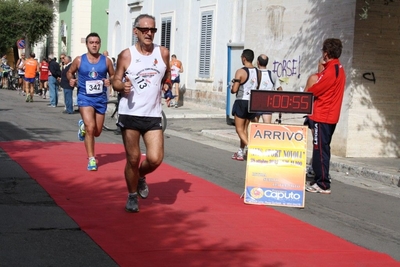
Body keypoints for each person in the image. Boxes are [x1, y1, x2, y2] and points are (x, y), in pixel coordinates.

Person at [111, 14, 171, 213]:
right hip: (130, 114)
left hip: (153, 114)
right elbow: (115, 80)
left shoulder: (162, 53)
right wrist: (122, 86)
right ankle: (131, 195)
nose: (149, 33)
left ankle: (140, 177)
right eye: (144, 30)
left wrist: (167, 87)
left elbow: (167, 74)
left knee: (155, 159)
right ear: (135, 31)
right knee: (133, 158)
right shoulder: (126, 55)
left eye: (152, 30)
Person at [67, 32, 115, 171]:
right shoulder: (79, 60)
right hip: (84, 97)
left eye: (97, 42)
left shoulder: (106, 61)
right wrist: (71, 79)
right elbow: (70, 72)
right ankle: (92, 159)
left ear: (100, 44)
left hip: (100, 99)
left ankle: (83, 126)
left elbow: (113, 75)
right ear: (87, 44)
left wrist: (109, 80)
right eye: (91, 42)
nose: (94, 45)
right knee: (90, 128)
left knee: (97, 131)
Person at [304, 38, 346, 194]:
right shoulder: (336, 68)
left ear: (326, 53)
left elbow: (314, 90)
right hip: (327, 115)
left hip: (323, 115)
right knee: (322, 148)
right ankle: (319, 178)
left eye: (323, 51)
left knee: (320, 149)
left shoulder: (331, 70)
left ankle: (322, 183)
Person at [230, 49, 260, 161]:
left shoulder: (240, 71)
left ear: (244, 58)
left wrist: (232, 87)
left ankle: (252, 149)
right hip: (252, 101)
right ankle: (241, 152)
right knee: (245, 128)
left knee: (239, 129)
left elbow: (235, 89)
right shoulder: (258, 72)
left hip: (242, 100)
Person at [256, 54, 283, 123]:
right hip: (267, 103)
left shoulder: (254, 73)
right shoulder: (272, 74)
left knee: (254, 126)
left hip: (255, 102)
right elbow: (279, 89)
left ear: (258, 62)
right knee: (267, 125)